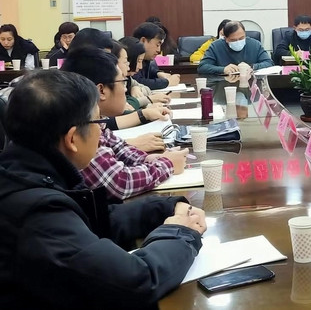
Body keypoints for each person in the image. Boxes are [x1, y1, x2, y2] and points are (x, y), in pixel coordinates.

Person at [0, 69, 205, 309]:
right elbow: (136, 281)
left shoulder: (25, 173)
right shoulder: (36, 213)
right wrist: (180, 232)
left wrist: (165, 207)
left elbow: (93, 221)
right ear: (72, 139)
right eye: (99, 122)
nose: (103, 131)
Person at [62, 46, 188, 200]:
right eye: (123, 82)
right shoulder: (79, 125)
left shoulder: (96, 120)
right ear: (101, 90)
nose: (126, 89)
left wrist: (150, 159)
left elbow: (120, 149)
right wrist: (167, 164)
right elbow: (119, 182)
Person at [198, 20, 273, 75]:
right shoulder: (215, 46)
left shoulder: (255, 45)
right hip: (224, 86)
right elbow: (202, 67)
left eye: (241, 38)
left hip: (250, 84)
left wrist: (252, 67)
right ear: (225, 38)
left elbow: (269, 63)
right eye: (233, 40)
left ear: (245, 34)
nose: (238, 42)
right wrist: (223, 69)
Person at [132, 22, 181, 90]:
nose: (159, 50)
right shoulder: (131, 56)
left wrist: (158, 73)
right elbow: (138, 82)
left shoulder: (145, 58)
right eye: (157, 45)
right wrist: (167, 82)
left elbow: (148, 71)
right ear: (143, 41)